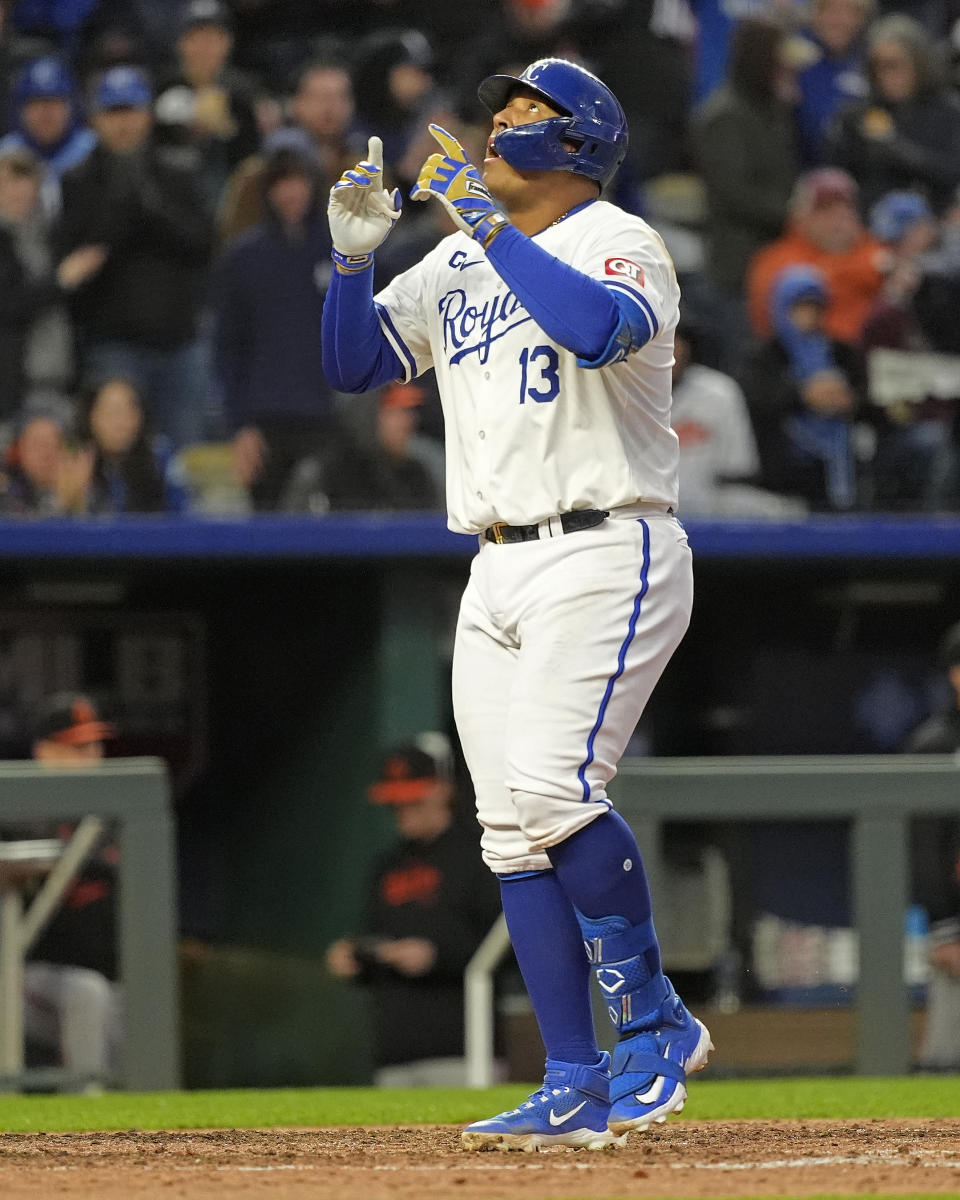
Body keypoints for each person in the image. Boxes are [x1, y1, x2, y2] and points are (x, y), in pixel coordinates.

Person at [322, 56, 712, 1151]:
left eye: (525, 114)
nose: (497, 126)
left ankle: (653, 1025)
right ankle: (574, 1077)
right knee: (507, 833)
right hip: (492, 559)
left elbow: (597, 331)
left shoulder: (619, 239)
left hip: (607, 541)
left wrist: (490, 224)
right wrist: (351, 264)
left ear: (579, 141)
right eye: (498, 111)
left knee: (550, 787)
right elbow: (355, 368)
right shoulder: (455, 255)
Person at [325, 739, 502, 1086]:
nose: (402, 808)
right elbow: (375, 938)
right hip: (395, 1050)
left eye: (413, 798)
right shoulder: (387, 865)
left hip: (463, 1048)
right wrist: (357, 958)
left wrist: (436, 956)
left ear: (441, 791)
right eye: (396, 801)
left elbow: (506, 945)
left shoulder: (479, 854)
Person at [56, 65, 215, 449]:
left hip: (178, 342)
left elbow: (202, 246)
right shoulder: (78, 179)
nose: (123, 123)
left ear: (147, 114)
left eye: (131, 111)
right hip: (113, 345)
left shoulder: (180, 170)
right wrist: (121, 215)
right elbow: (74, 263)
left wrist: (152, 208)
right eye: (114, 112)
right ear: (95, 119)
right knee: (115, 453)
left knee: (186, 455)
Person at [212, 142, 342, 511]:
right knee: (267, 529)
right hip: (264, 421)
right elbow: (228, 348)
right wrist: (239, 426)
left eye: (298, 181)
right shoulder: (242, 258)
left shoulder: (344, 250)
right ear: (268, 190)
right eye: (281, 182)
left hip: (328, 416)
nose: (291, 192)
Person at [19, 692, 122, 1090]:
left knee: (112, 1002)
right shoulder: (17, 814)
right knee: (87, 992)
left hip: (102, 983)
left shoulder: (115, 817)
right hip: (23, 977)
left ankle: (120, 1144)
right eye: (75, 747)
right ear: (44, 753)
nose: (89, 756)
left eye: (93, 745)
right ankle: (85, 1114)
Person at [740, 264, 867, 511]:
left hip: (841, 462)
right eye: (800, 306)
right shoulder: (764, 356)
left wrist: (848, 399)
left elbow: (866, 394)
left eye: (815, 306)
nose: (808, 314)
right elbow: (756, 400)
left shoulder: (841, 352)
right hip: (781, 465)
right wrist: (802, 396)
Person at [827, 12, 960, 217]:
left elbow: (950, 172)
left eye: (894, 65)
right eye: (878, 67)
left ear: (919, 64)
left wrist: (895, 148)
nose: (886, 76)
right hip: (867, 227)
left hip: (933, 224)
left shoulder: (948, 112)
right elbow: (837, 176)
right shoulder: (856, 116)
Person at [902, 621, 960, 1069]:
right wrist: (943, 929)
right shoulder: (936, 744)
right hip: (958, 928)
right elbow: (924, 848)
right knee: (947, 1060)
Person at [746, 167, 886, 346]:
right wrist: (862, 274)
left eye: (845, 208)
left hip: (874, 357)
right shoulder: (774, 260)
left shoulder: (870, 247)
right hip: (806, 360)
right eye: (825, 210)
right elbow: (778, 318)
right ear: (800, 216)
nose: (838, 219)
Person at [153, 0, 262, 216]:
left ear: (228, 43)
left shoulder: (243, 93)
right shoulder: (162, 88)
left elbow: (251, 154)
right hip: (173, 203)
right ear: (181, 42)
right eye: (197, 38)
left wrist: (226, 128)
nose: (205, 48)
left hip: (231, 196)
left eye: (214, 38)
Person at [0, 56, 96, 216]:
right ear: (20, 110)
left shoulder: (93, 152)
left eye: (53, 103)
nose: (45, 113)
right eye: (35, 103)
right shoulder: (5, 154)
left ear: (71, 106)